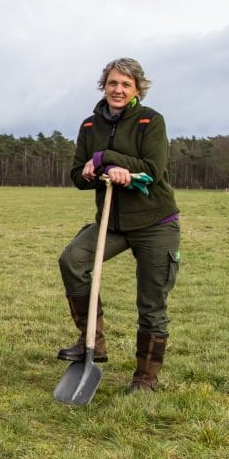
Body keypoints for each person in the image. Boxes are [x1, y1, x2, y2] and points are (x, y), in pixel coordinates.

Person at [57, 58, 180, 392]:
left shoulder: (151, 121)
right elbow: (76, 175)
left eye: (126, 84)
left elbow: (152, 168)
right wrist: (92, 171)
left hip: (155, 222)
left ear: (138, 89)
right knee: (73, 260)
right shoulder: (89, 126)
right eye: (113, 83)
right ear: (104, 85)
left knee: (151, 300)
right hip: (112, 222)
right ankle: (92, 341)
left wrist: (104, 159)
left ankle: (145, 378)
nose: (118, 90)